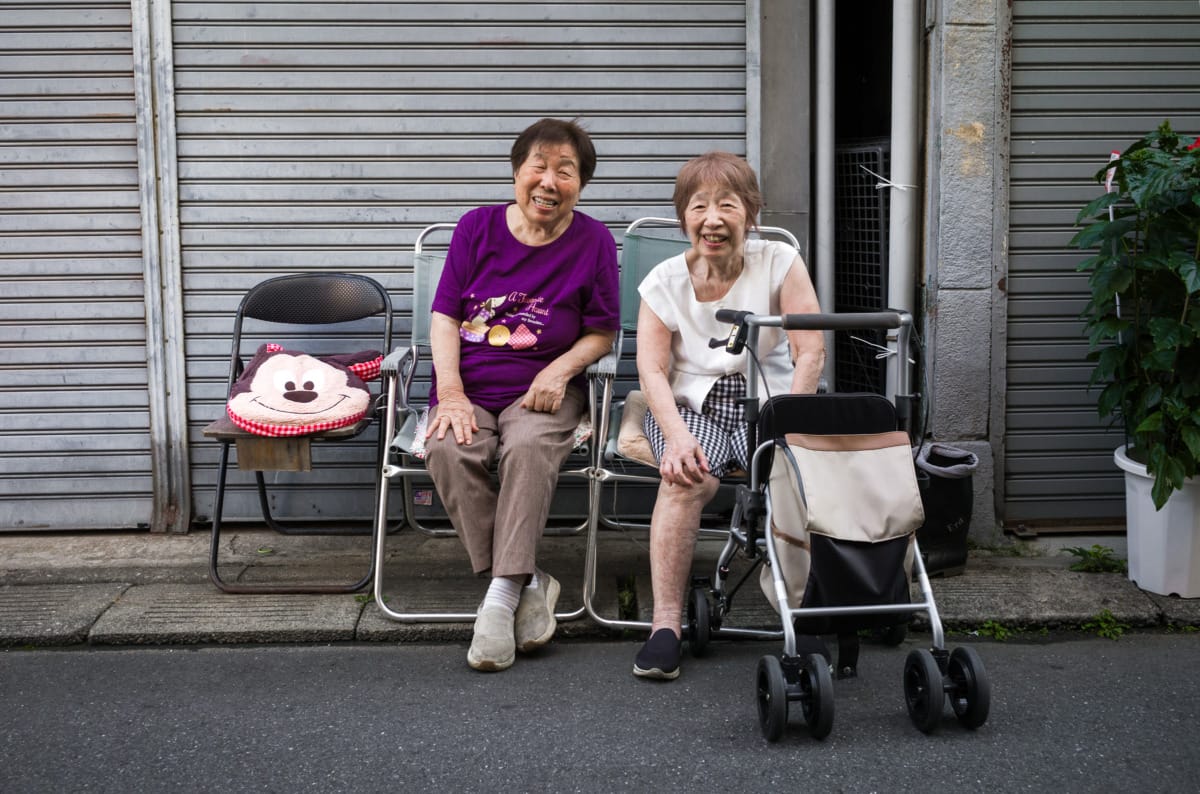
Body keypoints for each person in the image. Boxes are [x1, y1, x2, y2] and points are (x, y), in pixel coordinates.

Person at [424, 118, 620, 672]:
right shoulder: (476, 228)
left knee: (530, 449)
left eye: (567, 171)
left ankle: (497, 602)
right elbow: (444, 318)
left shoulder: (594, 240)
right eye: (540, 166)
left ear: (580, 185)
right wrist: (451, 392)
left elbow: (603, 331)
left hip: (544, 390)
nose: (550, 181)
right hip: (470, 387)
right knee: (446, 447)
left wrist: (560, 370)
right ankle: (524, 582)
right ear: (516, 172)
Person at [631, 151, 825, 680]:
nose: (712, 218)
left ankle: (803, 611)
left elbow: (810, 351)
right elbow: (650, 371)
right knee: (684, 480)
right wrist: (674, 439)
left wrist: (792, 424)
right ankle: (665, 625)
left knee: (793, 480)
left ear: (751, 212)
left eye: (727, 205)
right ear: (683, 216)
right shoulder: (662, 281)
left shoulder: (779, 262)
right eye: (699, 206)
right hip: (691, 408)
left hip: (770, 403)